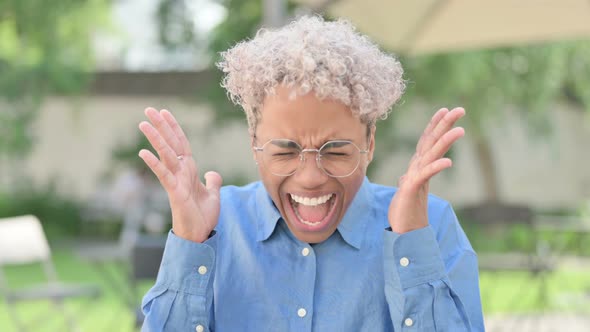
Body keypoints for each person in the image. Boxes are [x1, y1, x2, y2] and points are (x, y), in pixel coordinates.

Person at [138, 15, 484, 331]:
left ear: (370, 143)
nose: (310, 177)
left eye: (335, 151)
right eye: (285, 151)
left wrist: (411, 244)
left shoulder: (430, 225)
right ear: (254, 143)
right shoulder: (212, 229)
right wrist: (189, 245)